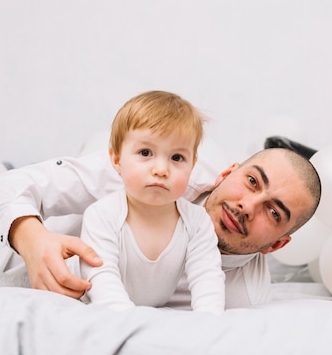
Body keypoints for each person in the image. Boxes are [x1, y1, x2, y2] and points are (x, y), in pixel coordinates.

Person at [0, 93, 322, 310]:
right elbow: (13, 186)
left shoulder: (240, 298)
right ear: (228, 172)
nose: (249, 204)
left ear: (277, 244)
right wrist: (32, 239)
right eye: (251, 181)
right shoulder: (159, 172)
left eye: (274, 212)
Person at [65, 91, 224, 313]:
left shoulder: (197, 222)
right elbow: (101, 277)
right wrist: (130, 319)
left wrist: (209, 320)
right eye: (146, 152)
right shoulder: (103, 215)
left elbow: (207, 276)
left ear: (192, 164)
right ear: (117, 159)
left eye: (177, 158)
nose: (161, 170)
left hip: (145, 311)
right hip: (83, 299)